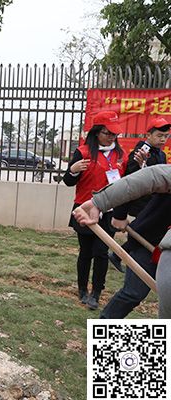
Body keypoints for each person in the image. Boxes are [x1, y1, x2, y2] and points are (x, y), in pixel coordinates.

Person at [74, 164, 171, 318]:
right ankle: (104, 331)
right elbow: (148, 178)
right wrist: (100, 203)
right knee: (133, 293)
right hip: (150, 243)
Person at [63, 111, 127, 311]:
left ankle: (96, 292)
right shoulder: (83, 152)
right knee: (86, 252)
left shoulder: (120, 155)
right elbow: (68, 181)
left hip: (108, 212)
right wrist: (73, 169)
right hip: (84, 209)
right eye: (107, 133)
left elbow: (127, 182)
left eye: (114, 134)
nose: (111, 138)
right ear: (97, 132)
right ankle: (82, 289)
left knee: (101, 253)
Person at [107, 116, 169, 271]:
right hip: (141, 200)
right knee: (143, 229)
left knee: (145, 230)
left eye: (166, 136)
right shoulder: (142, 151)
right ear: (148, 135)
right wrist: (142, 166)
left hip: (154, 200)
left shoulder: (161, 154)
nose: (163, 139)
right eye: (159, 136)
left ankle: (120, 255)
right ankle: (120, 255)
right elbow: (132, 178)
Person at [99, 194, 171, 318]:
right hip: (149, 240)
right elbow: (135, 184)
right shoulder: (165, 176)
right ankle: (103, 328)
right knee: (134, 293)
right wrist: (119, 214)